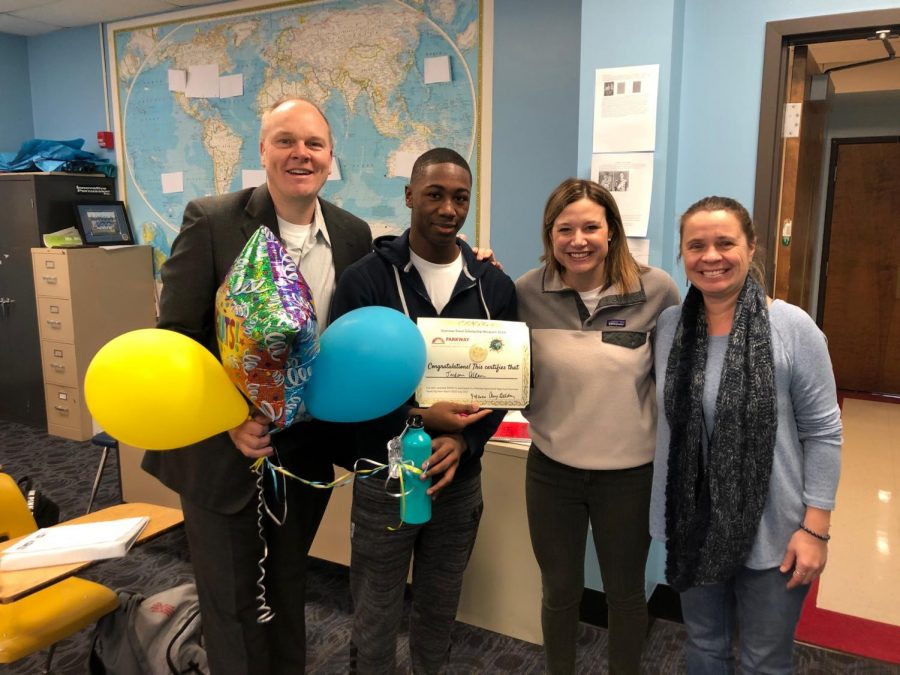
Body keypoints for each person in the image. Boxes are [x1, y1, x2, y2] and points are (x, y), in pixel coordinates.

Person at [141, 98, 373, 674]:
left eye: (314, 144)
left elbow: (362, 325)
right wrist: (227, 417)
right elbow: (177, 339)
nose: (302, 154)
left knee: (287, 589)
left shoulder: (351, 233)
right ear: (262, 150)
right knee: (234, 602)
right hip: (224, 448)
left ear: (330, 157)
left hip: (305, 451)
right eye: (286, 141)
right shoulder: (214, 220)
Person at [329, 147, 517, 674]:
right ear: (410, 195)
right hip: (384, 477)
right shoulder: (365, 282)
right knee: (376, 611)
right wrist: (418, 419)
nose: (448, 209)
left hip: (458, 479)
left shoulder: (492, 286)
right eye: (434, 194)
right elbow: (347, 385)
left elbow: (502, 390)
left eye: (460, 197)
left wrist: (464, 441)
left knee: (439, 611)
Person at [650, 196, 842, 673]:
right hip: (692, 523)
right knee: (704, 646)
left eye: (724, 243)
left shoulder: (792, 328)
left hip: (775, 528)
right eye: (696, 245)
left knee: (764, 660)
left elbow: (824, 432)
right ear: (682, 254)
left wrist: (815, 529)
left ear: (751, 247)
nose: (710, 256)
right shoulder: (671, 327)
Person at [515, 178, 679, 674]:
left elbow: (673, 385)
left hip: (630, 475)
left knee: (625, 592)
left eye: (591, 226)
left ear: (612, 232)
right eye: (566, 228)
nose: (578, 239)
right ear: (550, 235)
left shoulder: (656, 290)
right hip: (552, 470)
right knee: (560, 589)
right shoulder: (524, 292)